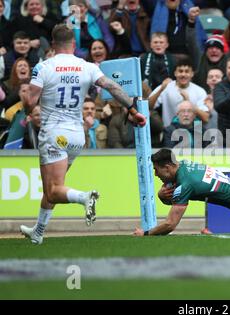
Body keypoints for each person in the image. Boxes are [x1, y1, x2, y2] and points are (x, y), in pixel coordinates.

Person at [19, 24, 147, 245]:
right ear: (74, 44)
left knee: (53, 189)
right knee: (54, 187)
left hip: (54, 134)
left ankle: (84, 197)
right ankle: (38, 231)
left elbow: (30, 100)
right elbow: (112, 86)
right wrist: (132, 109)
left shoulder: (44, 67)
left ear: (52, 43)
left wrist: (29, 111)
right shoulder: (87, 66)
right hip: (78, 136)